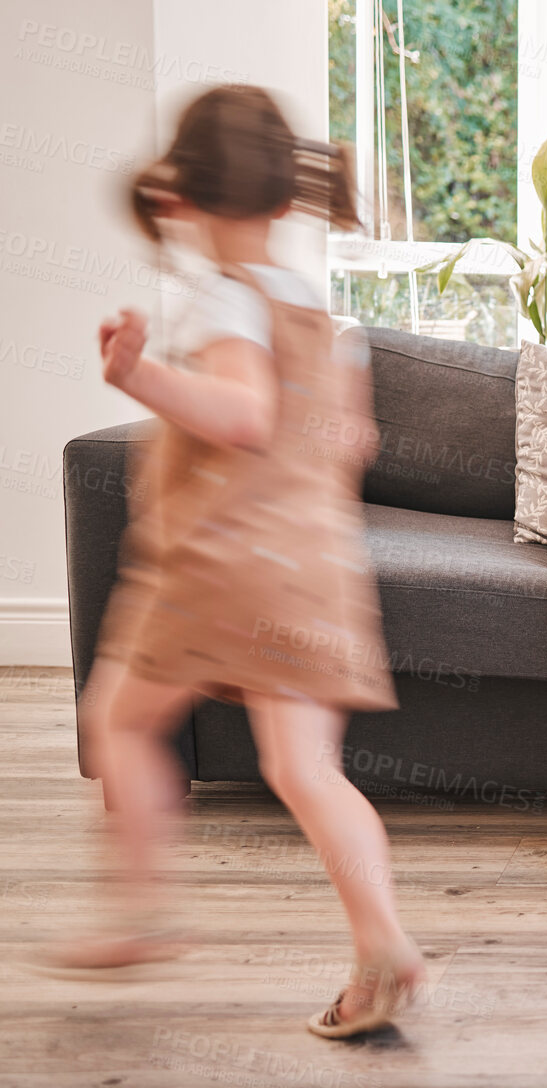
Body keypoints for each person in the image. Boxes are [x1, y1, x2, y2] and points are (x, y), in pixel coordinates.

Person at [31, 85, 422, 1038]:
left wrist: (137, 377)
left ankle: (142, 912)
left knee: (117, 720)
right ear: (287, 201)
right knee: (307, 768)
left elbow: (243, 418)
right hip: (309, 569)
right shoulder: (317, 312)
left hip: (215, 567)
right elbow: (348, 444)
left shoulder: (223, 301)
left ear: (192, 193)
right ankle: (385, 946)